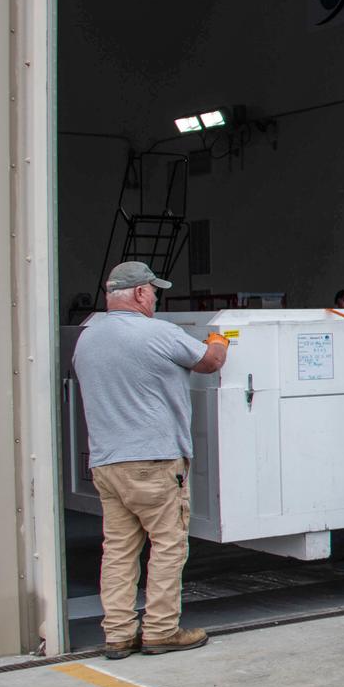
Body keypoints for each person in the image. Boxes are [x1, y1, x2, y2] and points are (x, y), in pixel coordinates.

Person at [71, 261, 229, 659]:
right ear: (140, 293)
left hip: (107, 463)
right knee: (168, 545)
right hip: (154, 462)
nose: (156, 298)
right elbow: (209, 362)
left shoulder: (87, 336)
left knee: (119, 550)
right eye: (154, 292)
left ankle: (118, 633)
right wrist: (222, 338)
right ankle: (160, 630)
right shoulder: (156, 333)